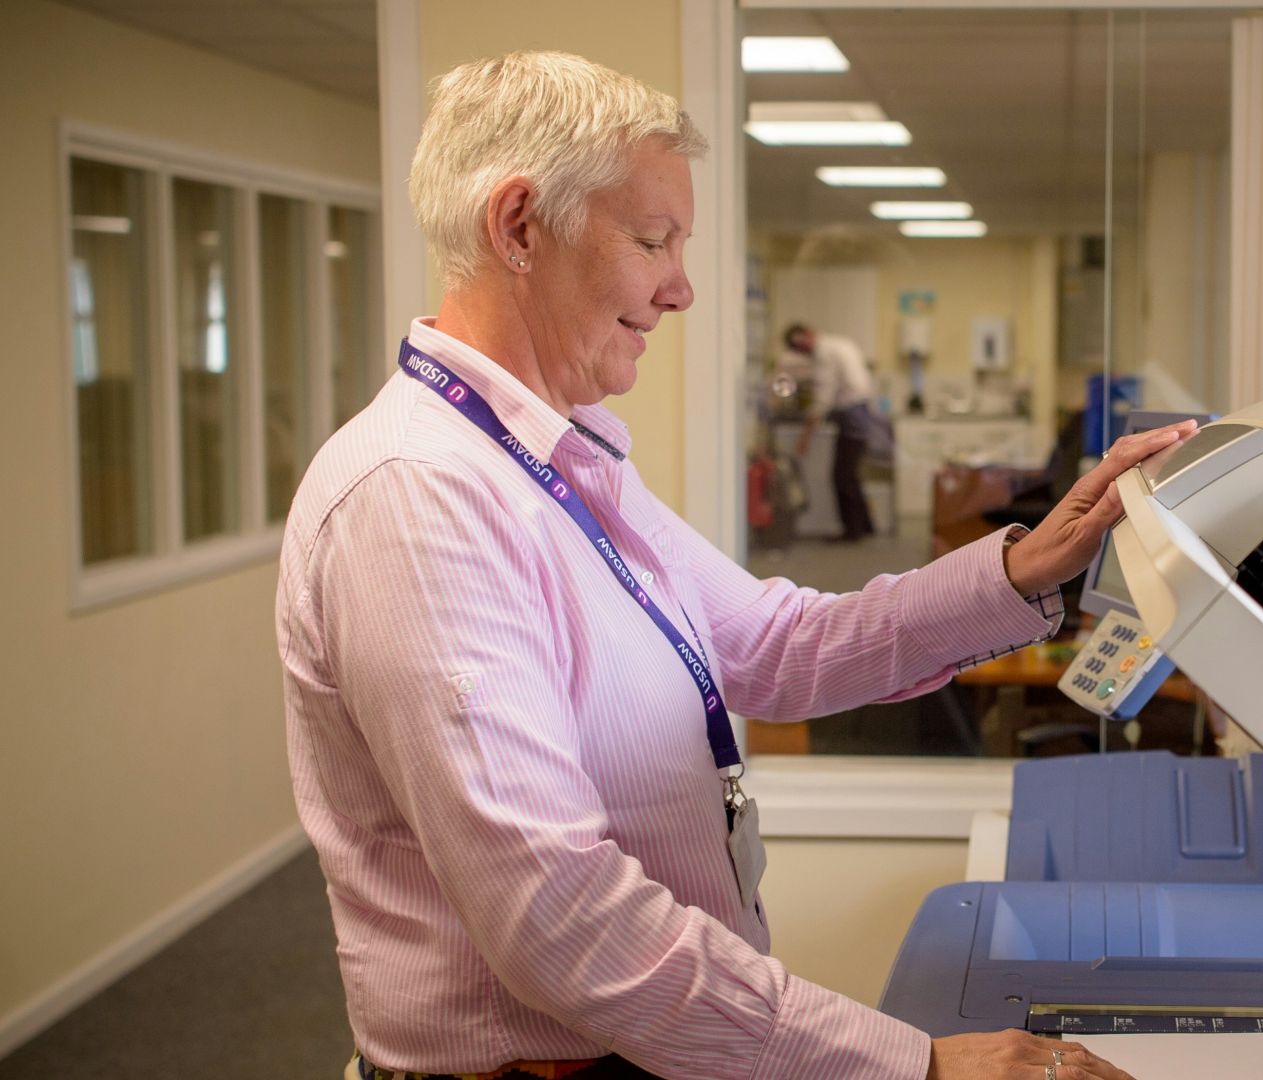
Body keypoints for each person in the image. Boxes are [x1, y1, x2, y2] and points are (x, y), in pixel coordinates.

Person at [276, 52, 1196, 1080]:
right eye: (653, 239)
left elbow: (773, 644)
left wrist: (1025, 567)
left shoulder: (559, 454)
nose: (683, 288)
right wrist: (915, 1067)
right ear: (519, 226)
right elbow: (561, 919)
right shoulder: (420, 496)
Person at [785, 322, 879, 541]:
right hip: (862, 409)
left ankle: (853, 531)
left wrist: (806, 435)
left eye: (800, 347)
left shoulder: (824, 353)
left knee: (842, 475)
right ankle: (865, 526)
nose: (802, 352)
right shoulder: (840, 343)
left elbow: (823, 396)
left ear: (806, 336)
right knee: (851, 474)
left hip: (852, 413)